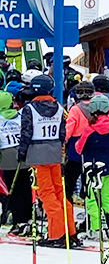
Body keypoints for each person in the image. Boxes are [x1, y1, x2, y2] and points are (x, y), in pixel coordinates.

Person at [17, 73, 78, 247]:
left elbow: (26, 133)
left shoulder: (30, 109)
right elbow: (62, 132)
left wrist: (22, 152)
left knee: (46, 194)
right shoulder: (58, 107)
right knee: (60, 192)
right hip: (55, 154)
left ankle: (57, 234)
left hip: (38, 154)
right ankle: (70, 231)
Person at [77, 95, 109, 238]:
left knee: (92, 198)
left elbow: (80, 148)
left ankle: (95, 228)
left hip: (91, 167)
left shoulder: (90, 128)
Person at [0, 79, 31, 233]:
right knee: (25, 186)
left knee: (14, 189)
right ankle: (28, 217)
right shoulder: (19, 115)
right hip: (23, 153)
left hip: (7, 156)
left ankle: (20, 220)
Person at [64, 80, 95, 205]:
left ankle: (68, 205)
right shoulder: (97, 107)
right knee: (88, 181)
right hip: (92, 145)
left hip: (76, 147)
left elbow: (69, 128)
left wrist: (63, 140)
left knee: (69, 181)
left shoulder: (75, 109)